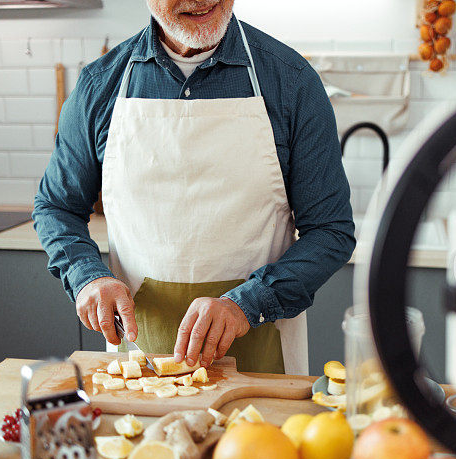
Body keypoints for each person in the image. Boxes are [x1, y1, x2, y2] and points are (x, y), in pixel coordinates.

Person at [33, 0, 355, 374]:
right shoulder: (98, 86)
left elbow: (331, 230)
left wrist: (248, 303)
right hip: (140, 362)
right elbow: (57, 207)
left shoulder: (291, 80)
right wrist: (87, 276)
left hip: (263, 360)